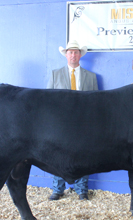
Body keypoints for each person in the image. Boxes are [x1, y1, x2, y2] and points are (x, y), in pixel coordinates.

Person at [47, 40, 98, 201]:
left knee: (84, 154)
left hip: (83, 122)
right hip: (61, 123)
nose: (73, 55)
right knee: (57, 154)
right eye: (70, 52)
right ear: (66, 55)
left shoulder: (91, 77)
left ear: (80, 55)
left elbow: (96, 101)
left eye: (76, 52)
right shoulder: (55, 74)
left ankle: (81, 189)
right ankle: (57, 189)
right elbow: (48, 99)